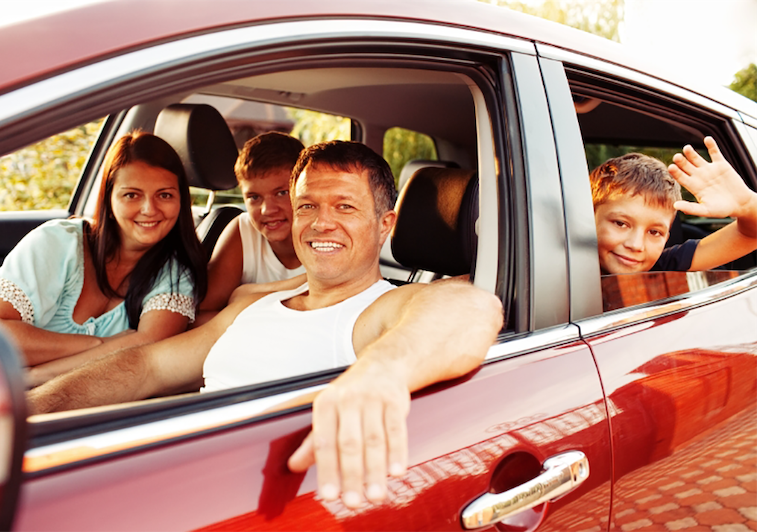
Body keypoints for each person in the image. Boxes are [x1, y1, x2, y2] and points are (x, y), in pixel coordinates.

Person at [28, 140, 503, 509]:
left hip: (253, 499)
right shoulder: (252, 305)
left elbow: (469, 308)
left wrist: (379, 376)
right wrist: (32, 411)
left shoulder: (382, 311)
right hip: (171, 478)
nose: (320, 223)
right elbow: (148, 366)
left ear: (385, 225)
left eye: (345, 206)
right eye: (307, 207)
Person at [0, 131, 207, 385]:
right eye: (131, 195)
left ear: (182, 201)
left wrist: (35, 376)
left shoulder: (175, 276)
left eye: (164, 195)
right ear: (109, 197)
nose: (149, 209)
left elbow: (146, 351)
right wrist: (101, 344)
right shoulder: (56, 242)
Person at [590, 136, 757, 274]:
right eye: (620, 224)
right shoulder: (565, 266)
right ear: (589, 219)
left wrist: (747, 204)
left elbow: (750, 235)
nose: (636, 245)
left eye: (654, 232)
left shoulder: (665, 267)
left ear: (666, 237)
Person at [200, 132, 305, 319]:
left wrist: (243, 296)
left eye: (281, 193)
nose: (267, 210)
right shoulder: (243, 231)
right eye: (254, 197)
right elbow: (201, 314)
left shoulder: (328, 233)